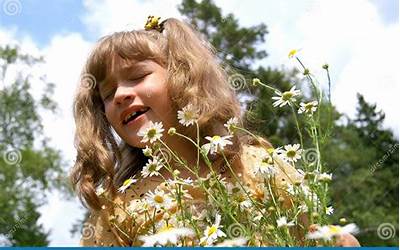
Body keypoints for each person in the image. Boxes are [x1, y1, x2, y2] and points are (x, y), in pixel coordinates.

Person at [70, 16, 359, 247]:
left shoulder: (258, 167)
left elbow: (311, 234)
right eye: (107, 93)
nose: (120, 94)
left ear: (184, 79)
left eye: (138, 77)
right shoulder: (117, 210)